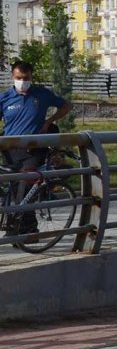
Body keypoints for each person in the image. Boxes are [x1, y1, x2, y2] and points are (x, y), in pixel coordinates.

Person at [1, 60, 73, 235]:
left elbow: (66, 106)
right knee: (13, 187)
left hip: (35, 149)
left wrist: (49, 121)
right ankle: (12, 220)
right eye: (19, 78)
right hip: (10, 150)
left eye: (26, 78)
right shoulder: (4, 98)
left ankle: (27, 230)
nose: (23, 81)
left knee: (24, 185)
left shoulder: (41, 94)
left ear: (31, 77)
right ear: (13, 76)